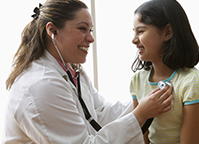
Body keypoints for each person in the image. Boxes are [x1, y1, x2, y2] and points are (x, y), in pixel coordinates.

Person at [3, 0, 173, 143]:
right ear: (53, 31)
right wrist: (140, 114)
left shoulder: (73, 71)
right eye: (82, 29)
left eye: (90, 30)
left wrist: (145, 99)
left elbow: (100, 114)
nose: (91, 38)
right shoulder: (40, 86)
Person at [130, 0, 199, 143]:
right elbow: (142, 137)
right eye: (134, 32)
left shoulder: (192, 81)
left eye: (141, 31)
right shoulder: (137, 80)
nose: (134, 40)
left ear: (167, 32)